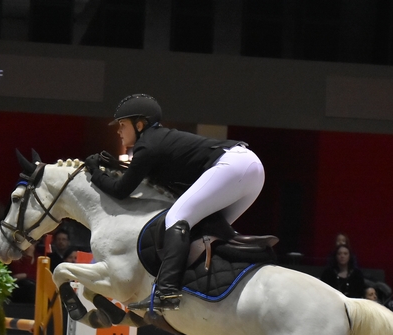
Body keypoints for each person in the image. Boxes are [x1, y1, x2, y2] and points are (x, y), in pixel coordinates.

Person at [85, 94, 270, 310]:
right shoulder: (156, 140)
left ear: (140, 124)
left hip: (233, 166)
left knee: (176, 218)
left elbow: (120, 190)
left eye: (122, 125)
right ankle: (222, 281)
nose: (118, 130)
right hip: (252, 169)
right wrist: (117, 167)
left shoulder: (146, 145)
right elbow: (150, 178)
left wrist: (95, 172)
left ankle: (166, 291)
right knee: (208, 230)